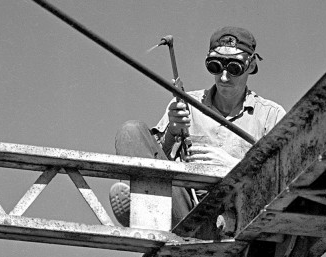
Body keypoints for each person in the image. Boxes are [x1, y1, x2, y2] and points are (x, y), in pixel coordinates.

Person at [110, 26, 286, 228]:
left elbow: (283, 177)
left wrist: (234, 166)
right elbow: (154, 159)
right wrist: (171, 133)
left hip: (239, 215)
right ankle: (149, 210)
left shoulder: (271, 116)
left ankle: (146, 213)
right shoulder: (187, 104)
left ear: (251, 64)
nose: (224, 76)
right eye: (216, 66)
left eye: (235, 68)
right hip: (187, 209)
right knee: (130, 132)